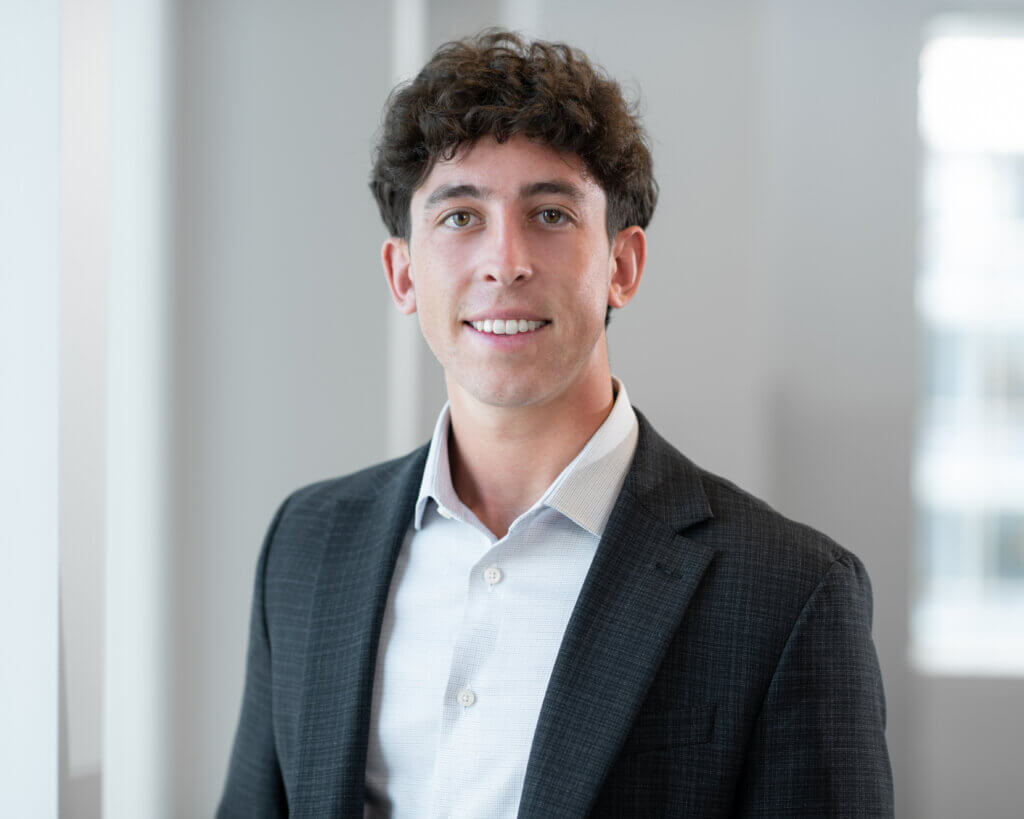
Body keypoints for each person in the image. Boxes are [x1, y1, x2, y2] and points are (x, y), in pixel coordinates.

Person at [218, 29, 893, 818]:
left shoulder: (791, 592)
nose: (505, 261)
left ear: (622, 265)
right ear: (403, 275)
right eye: (460, 216)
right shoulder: (306, 544)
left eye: (549, 213)